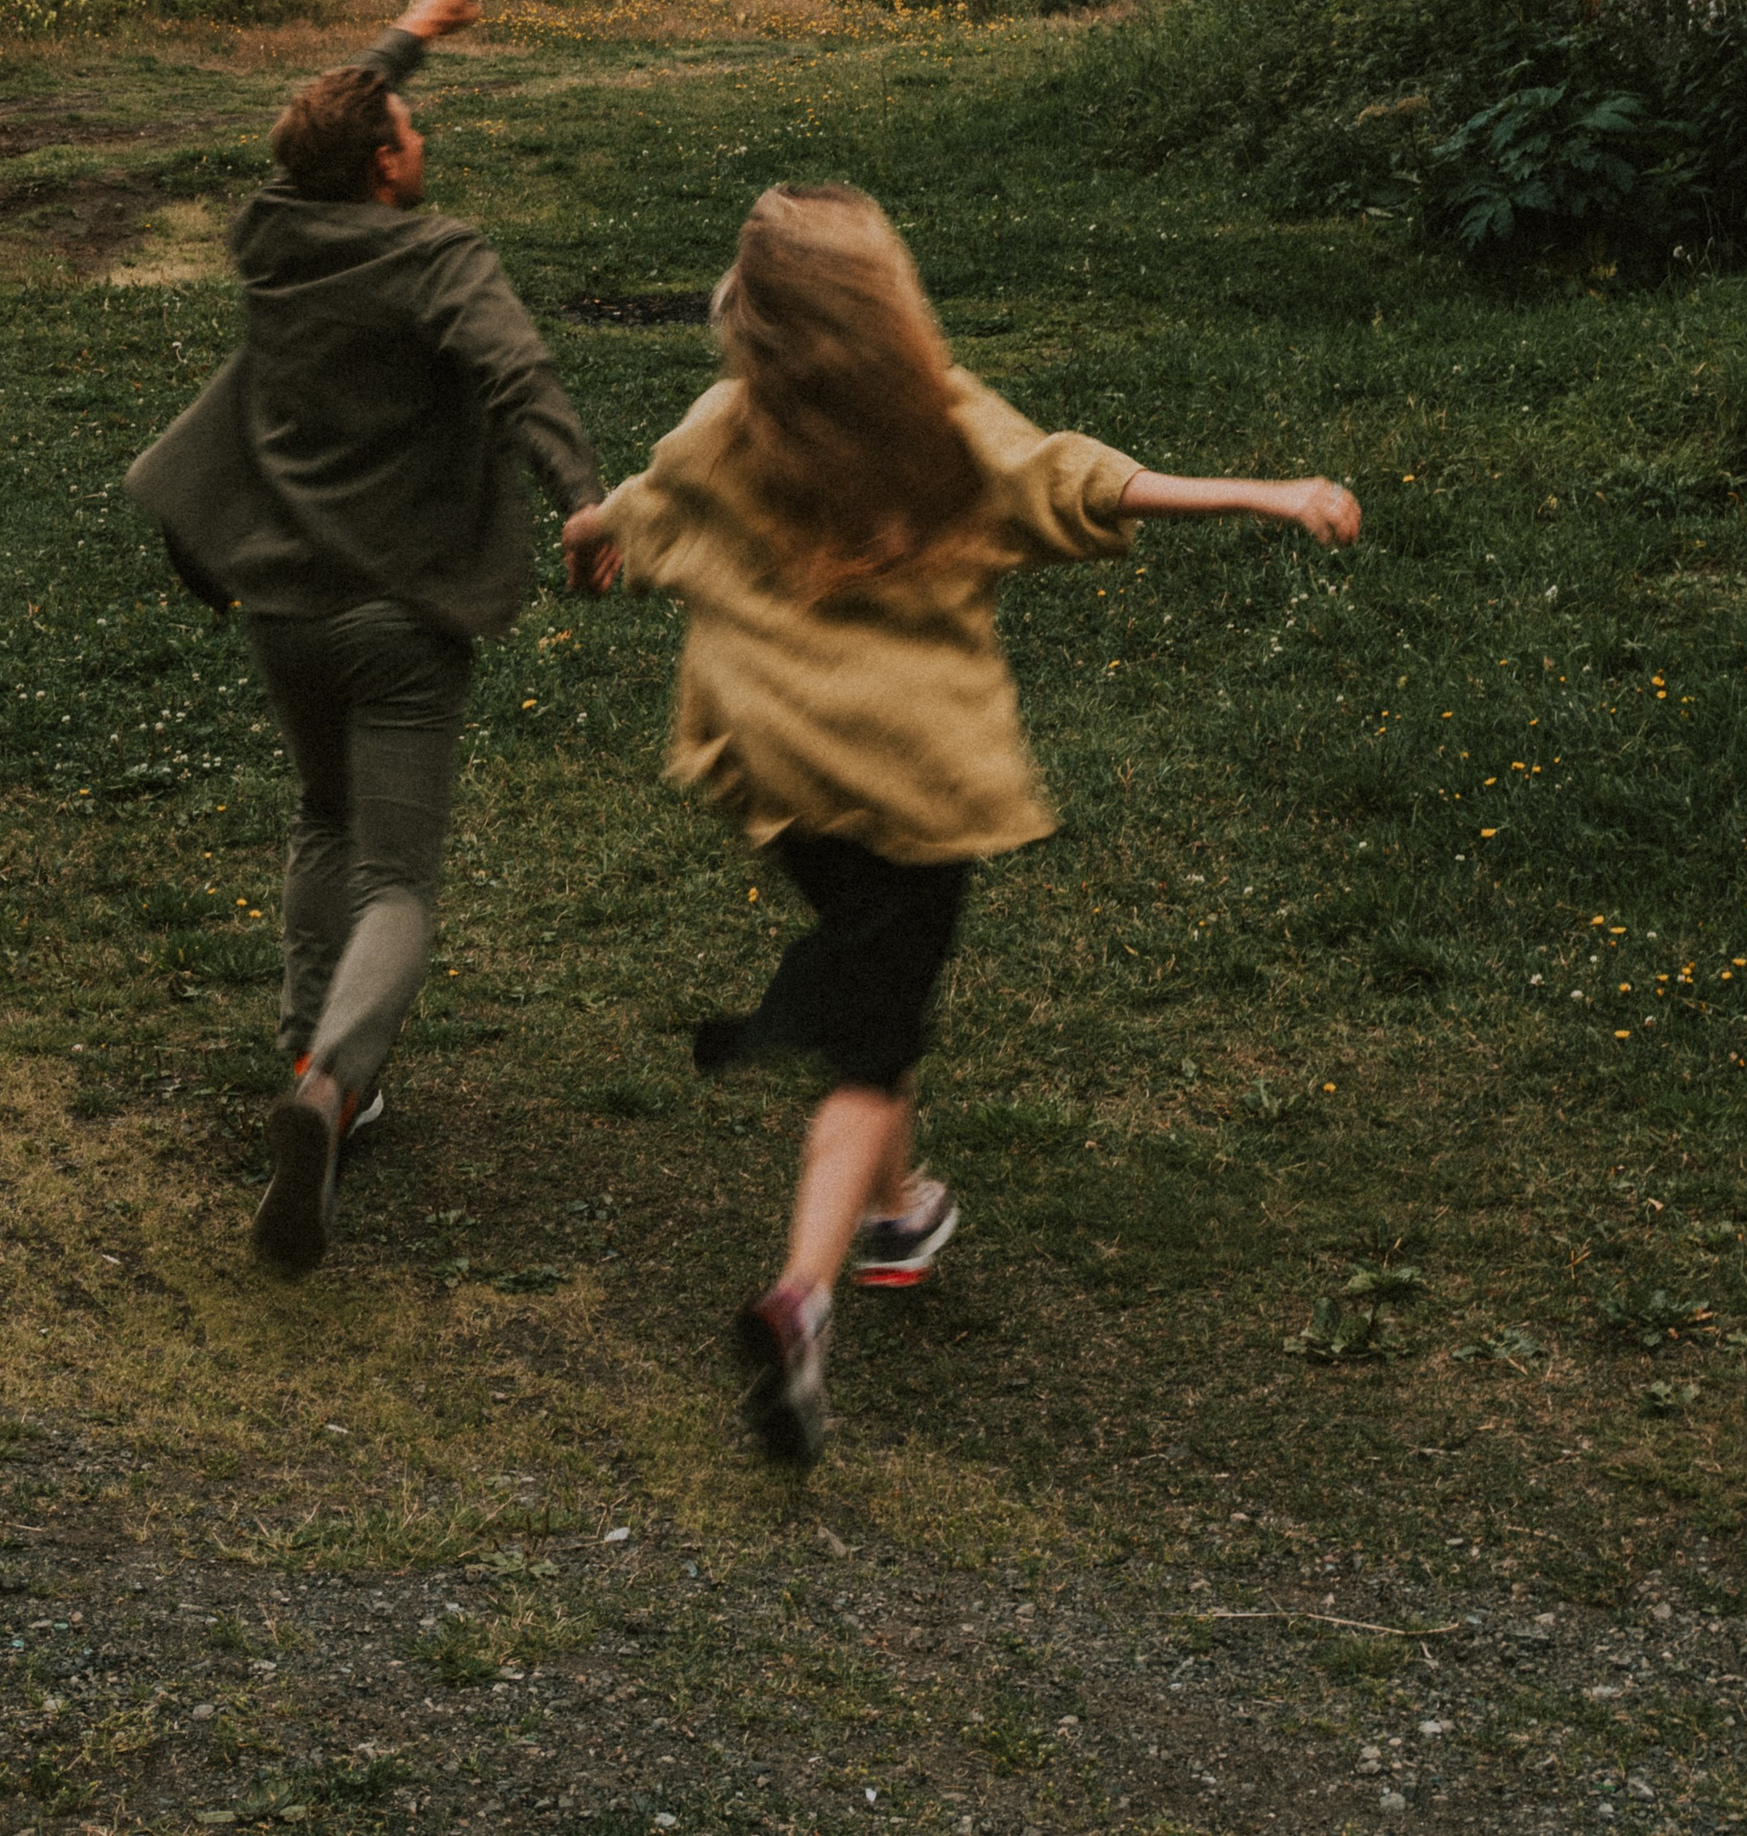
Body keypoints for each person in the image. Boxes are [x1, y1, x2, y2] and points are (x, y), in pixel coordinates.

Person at [559, 181, 1358, 1466]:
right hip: (909, 791)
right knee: (870, 1048)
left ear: (749, 321)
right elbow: (1076, 481)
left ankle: (900, 1214)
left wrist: (589, 532)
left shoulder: (724, 426)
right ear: (888, 306)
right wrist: (1268, 492)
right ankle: (800, 1296)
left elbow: (643, 513)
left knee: (879, 972)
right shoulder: (938, 427)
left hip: (777, 782)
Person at [129, 0, 602, 1277]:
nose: (421, 133)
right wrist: (585, 501)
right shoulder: (433, 259)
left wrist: (408, 38)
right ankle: (333, 1087)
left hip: (280, 604)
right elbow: (521, 372)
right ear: (388, 167)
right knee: (400, 876)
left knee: (321, 819)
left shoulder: (275, 241)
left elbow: (310, 150)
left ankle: (304, 1042)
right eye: (408, 127)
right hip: (399, 616)